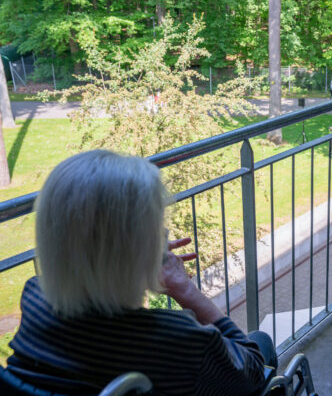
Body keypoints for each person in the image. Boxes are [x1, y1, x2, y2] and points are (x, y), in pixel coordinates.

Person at [6, 150, 276, 395]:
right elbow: (251, 369)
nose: (165, 233)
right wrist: (185, 289)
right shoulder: (179, 339)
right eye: (156, 227)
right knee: (260, 342)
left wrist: (136, 261)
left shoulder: (34, 296)